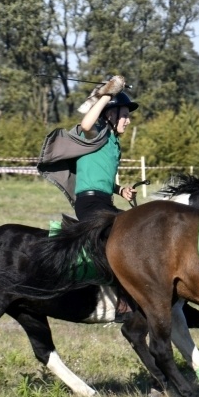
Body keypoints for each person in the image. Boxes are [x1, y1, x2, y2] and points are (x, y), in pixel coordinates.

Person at [37, 74, 140, 320]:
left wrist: (120, 190)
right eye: (124, 115)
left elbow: (100, 174)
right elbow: (85, 124)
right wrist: (106, 94)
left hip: (105, 199)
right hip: (89, 202)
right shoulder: (95, 132)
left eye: (128, 116)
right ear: (110, 115)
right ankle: (122, 302)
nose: (128, 120)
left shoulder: (114, 142)